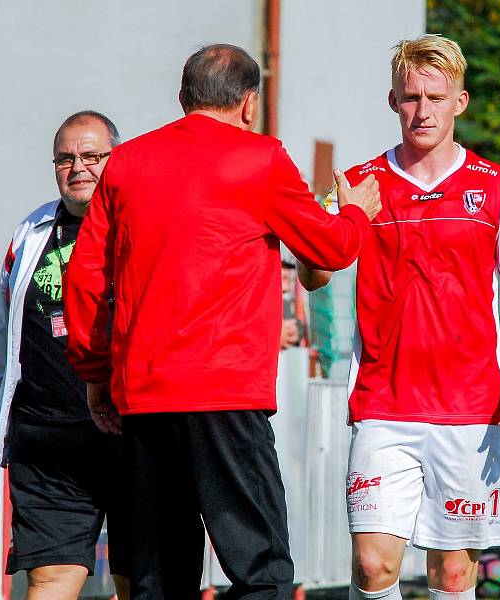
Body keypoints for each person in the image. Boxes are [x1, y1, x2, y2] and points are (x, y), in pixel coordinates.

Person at [63, 43, 381, 600]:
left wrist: (97, 376)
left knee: (159, 573)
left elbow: (86, 280)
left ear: (183, 98)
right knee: (259, 568)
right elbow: (329, 249)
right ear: (249, 103)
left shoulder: (128, 163)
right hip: (226, 390)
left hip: (145, 393)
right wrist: (357, 211)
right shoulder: (260, 158)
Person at [341, 35, 500, 600]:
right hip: (384, 403)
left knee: (453, 575)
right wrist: (339, 226)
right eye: (410, 97)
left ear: (461, 101)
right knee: (373, 566)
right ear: (391, 100)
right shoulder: (361, 184)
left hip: (469, 409)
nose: (422, 110)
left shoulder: (496, 185)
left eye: (435, 96)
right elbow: (312, 272)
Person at [0, 111, 130, 600]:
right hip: (47, 438)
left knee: (141, 577)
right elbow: (3, 322)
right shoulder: (33, 229)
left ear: (115, 159)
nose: (77, 167)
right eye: (65, 158)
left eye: (91, 156)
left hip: (133, 433)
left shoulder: (139, 224)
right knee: (50, 576)